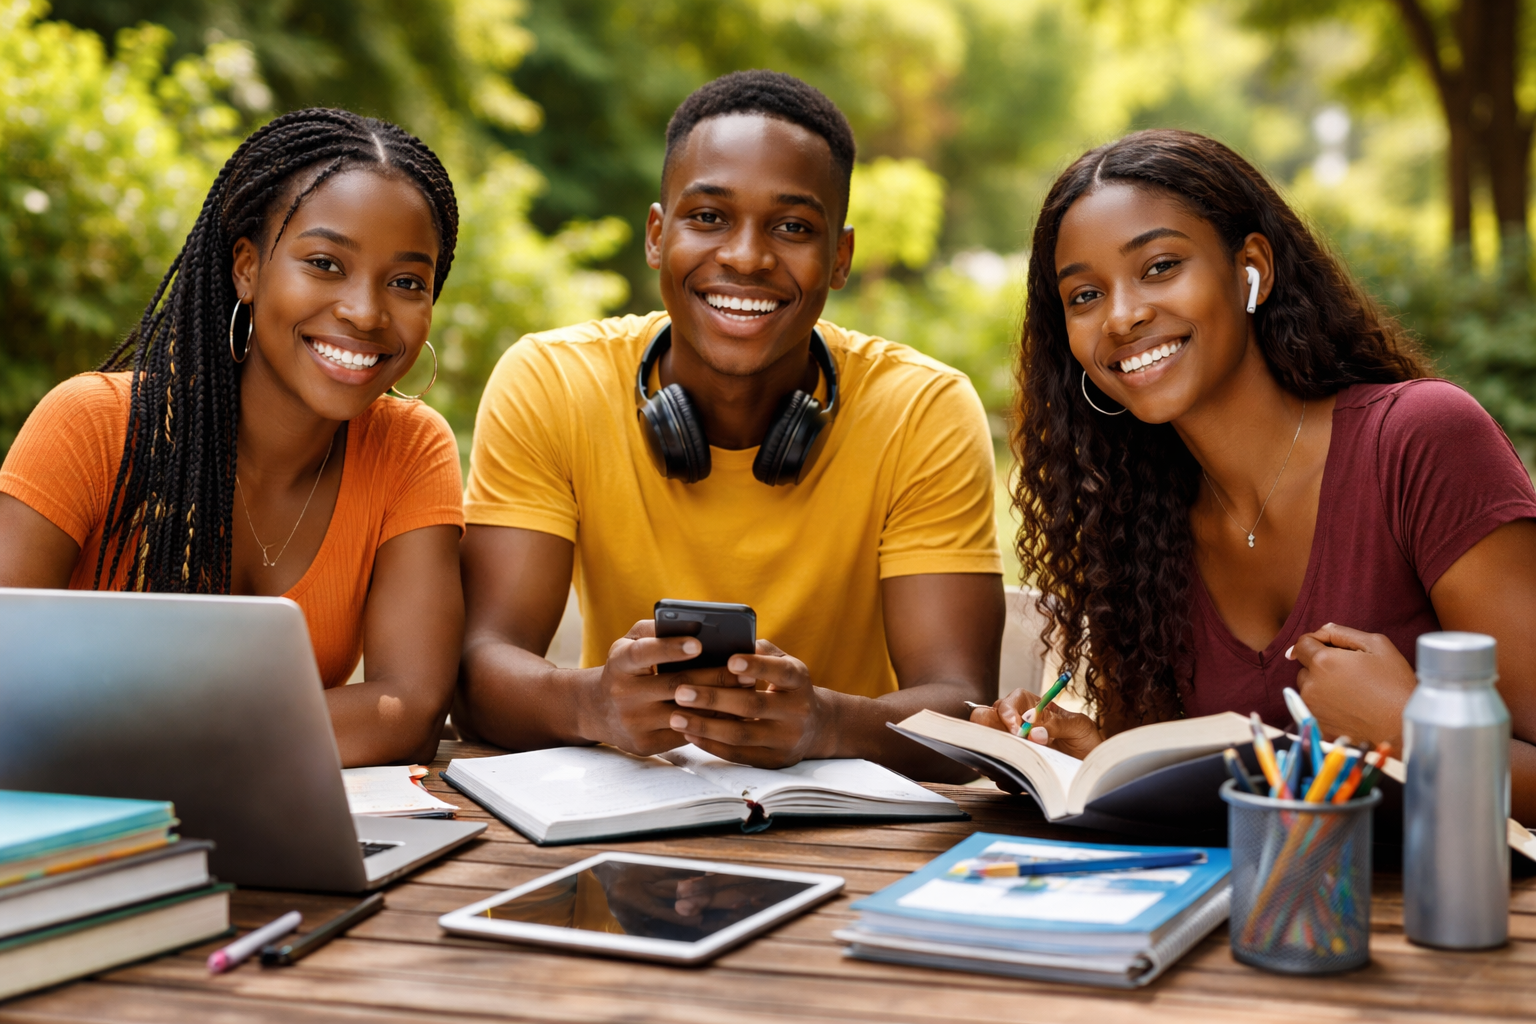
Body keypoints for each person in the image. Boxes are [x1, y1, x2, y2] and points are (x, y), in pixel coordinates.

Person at [971, 128, 1536, 822]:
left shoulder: (1419, 441)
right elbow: (1236, 782)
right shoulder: (1136, 526)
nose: (1122, 316)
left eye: (1159, 266)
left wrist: (1409, 726)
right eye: (1085, 295)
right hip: (1269, 913)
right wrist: (1094, 756)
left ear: (1253, 270)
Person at [456, 70, 1004, 778]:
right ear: (658, 236)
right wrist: (590, 704)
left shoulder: (923, 409)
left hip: (839, 828)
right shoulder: (551, 381)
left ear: (840, 258)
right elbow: (476, 672)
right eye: (709, 217)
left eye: (793, 227)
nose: (746, 256)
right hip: (623, 806)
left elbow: (963, 711)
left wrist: (825, 721)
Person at [0, 108, 465, 767]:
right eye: (326, 263)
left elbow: (409, 711)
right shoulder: (93, 426)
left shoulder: (410, 450)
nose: (366, 311)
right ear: (246, 268)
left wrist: (150, 735)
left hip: (270, 823)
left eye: (406, 282)